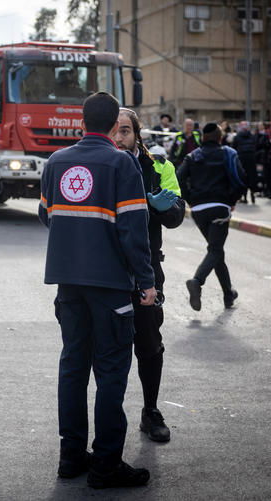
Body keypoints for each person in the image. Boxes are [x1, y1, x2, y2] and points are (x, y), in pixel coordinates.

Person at [40, 92, 156, 489]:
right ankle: (106, 465)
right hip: (109, 287)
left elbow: (46, 214)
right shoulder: (121, 163)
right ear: (111, 126)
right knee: (110, 374)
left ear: (81, 121)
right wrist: (147, 282)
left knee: (73, 366)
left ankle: (71, 457)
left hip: (67, 283)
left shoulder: (56, 162)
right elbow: (133, 231)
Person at [114, 108, 185, 443]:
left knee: (149, 344)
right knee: (110, 348)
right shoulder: (101, 164)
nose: (118, 138)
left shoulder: (159, 165)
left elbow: (176, 214)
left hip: (147, 269)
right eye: (113, 130)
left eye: (125, 131)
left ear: (137, 134)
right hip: (108, 269)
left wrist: (162, 207)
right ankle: (110, 418)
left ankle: (151, 410)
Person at [177, 122, 244, 311]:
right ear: (220, 137)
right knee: (215, 250)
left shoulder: (192, 156)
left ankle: (228, 294)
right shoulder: (228, 153)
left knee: (216, 250)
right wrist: (232, 200)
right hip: (220, 207)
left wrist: (190, 200)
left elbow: (179, 179)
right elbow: (241, 179)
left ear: (203, 138)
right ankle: (197, 281)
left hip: (198, 210)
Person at [232, 121, 258, 203]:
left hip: (241, 159)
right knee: (252, 176)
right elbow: (256, 146)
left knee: (242, 177)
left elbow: (233, 148)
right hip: (251, 159)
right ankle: (253, 193)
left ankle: (244, 197)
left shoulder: (237, 137)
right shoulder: (253, 136)